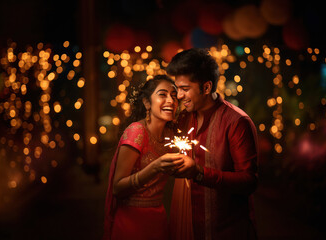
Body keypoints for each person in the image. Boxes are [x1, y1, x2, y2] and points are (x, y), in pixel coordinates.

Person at [166, 48, 259, 240]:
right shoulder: (183, 118)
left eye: (185, 89)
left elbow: (249, 181)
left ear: (206, 88)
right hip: (187, 226)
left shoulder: (236, 122)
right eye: (177, 89)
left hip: (226, 229)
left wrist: (199, 173)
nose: (179, 96)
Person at [103, 74, 184, 240]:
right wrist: (154, 167)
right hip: (131, 224)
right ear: (147, 102)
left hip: (158, 220)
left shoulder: (171, 135)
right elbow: (117, 188)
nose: (170, 101)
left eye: (174, 96)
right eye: (162, 95)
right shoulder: (136, 132)